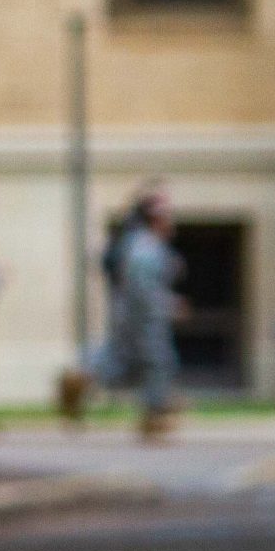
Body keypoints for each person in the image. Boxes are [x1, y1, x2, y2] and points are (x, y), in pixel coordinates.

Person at [99, 188, 185, 440]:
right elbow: (142, 287)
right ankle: (153, 416)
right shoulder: (143, 246)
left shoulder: (147, 244)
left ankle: (154, 414)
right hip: (143, 318)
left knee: (136, 365)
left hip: (140, 315)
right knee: (153, 362)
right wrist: (167, 304)